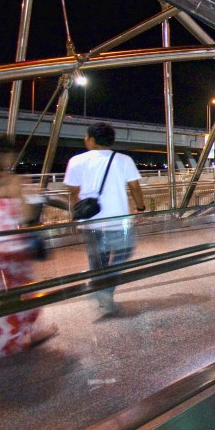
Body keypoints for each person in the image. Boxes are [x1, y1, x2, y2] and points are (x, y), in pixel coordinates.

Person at [0, 135, 57, 364]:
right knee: (23, 289)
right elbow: (24, 215)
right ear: (3, 155)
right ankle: (29, 332)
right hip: (10, 248)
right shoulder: (10, 181)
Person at [64, 122, 145, 315]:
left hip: (90, 220)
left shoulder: (76, 161)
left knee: (97, 260)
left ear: (91, 139)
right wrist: (140, 208)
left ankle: (101, 289)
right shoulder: (124, 160)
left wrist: (77, 215)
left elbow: (74, 192)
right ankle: (105, 291)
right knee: (123, 253)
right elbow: (135, 187)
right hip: (119, 219)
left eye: (86, 137)